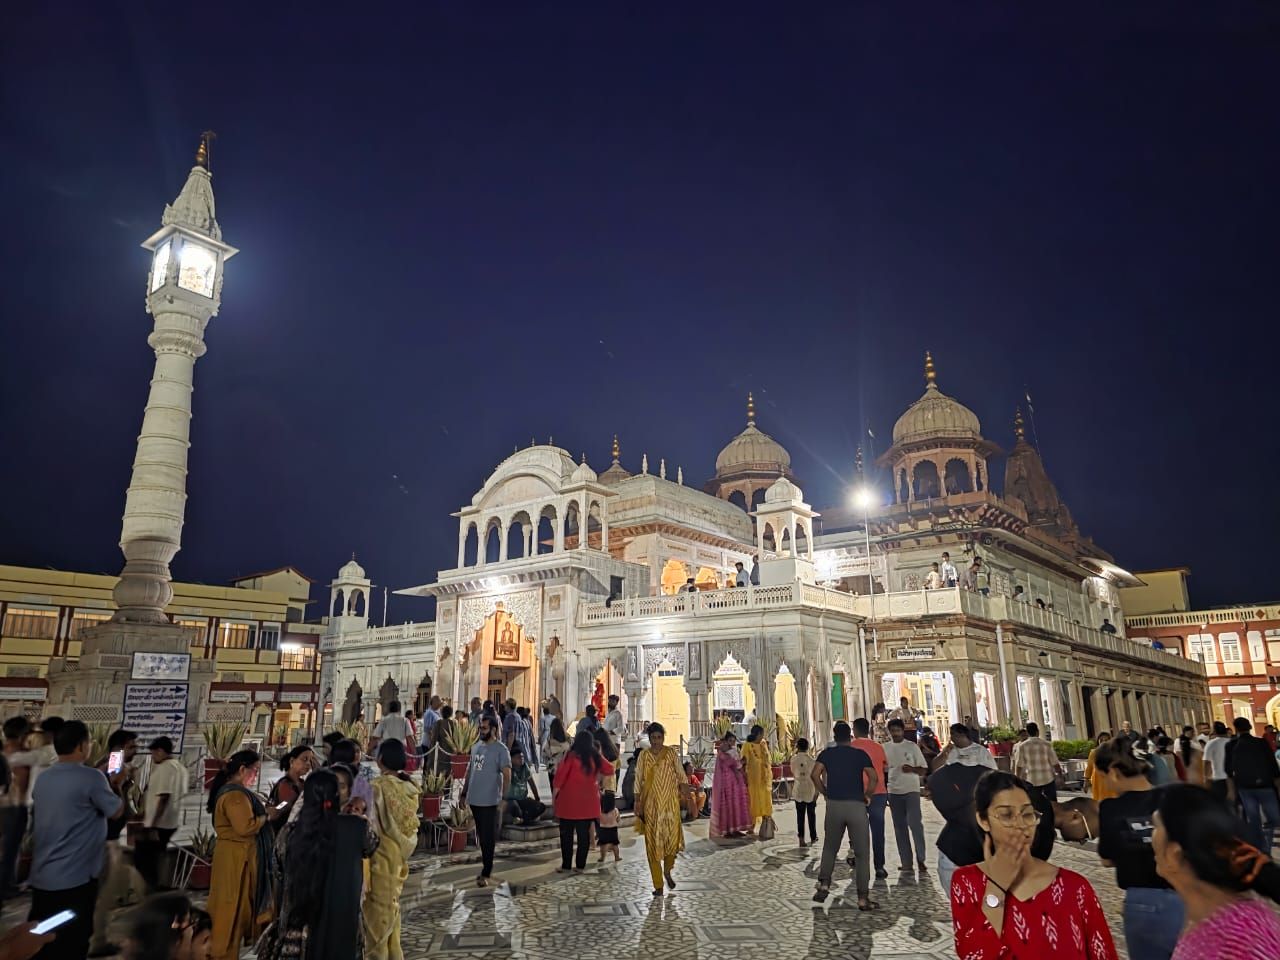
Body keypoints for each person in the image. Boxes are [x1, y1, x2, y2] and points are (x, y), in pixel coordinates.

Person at [950, 771, 1119, 960]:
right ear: (983, 821)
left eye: (1028, 814)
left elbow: (1104, 954)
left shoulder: (1075, 887)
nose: (1021, 824)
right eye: (1006, 815)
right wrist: (996, 888)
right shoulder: (966, 882)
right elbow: (973, 953)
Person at [27, 719, 125, 960]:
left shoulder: (44, 778)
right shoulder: (91, 778)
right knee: (72, 942)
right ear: (82, 746)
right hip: (75, 881)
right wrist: (118, 785)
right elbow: (117, 811)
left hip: (43, 878)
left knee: (40, 939)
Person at [1150, 784, 1280, 959]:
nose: (1150, 838)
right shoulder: (1238, 915)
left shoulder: (1221, 946)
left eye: (1155, 826)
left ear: (1175, 854)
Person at [270, 769, 378, 959]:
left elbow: (278, 871)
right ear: (338, 795)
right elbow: (371, 847)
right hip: (342, 924)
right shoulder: (359, 828)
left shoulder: (289, 833)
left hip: (299, 928)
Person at [1093, 736, 1183, 960]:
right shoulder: (1174, 797)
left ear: (1113, 772)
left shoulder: (1111, 807)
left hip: (1142, 899)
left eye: (1103, 777)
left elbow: (1106, 858)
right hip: (1186, 894)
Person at [207, 750, 276, 960]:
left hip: (237, 855)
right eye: (254, 770)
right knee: (231, 909)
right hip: (236, 860)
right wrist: (268, 817)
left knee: (236, 909)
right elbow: (245, 827)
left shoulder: (236, 792)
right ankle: (221, 953)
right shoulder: (235, 794)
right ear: (242, 769)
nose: (255, 775)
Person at [812, 721, 879, 908]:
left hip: (834, 805)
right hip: (856, 805)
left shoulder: (827, 754)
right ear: (850, 736)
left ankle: (824, 883)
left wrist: (824, 791)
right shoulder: (859, 755)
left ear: (834, 735)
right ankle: (863, 898)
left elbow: (814, 774)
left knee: (830, 847)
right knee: (861, 852)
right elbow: (874, 777)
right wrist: (868, 795)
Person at [362, 740, 419, 960]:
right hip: (398, 856)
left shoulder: (377, 787)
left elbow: (370, 825)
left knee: (377, 922)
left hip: (379, 856)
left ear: (381, 760)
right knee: (391, 914)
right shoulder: (410, 788)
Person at [87, 727, 137, 957]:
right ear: (120, 747)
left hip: (105, 837)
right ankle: (97, 941)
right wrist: (122, 782)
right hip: (106, 839)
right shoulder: (115, 761)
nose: (134, 751)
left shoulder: (104, 763)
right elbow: (114, 786)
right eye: (131, 747)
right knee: (103, 895)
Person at [634, 722, 687, 896]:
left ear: (663, 738)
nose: (656, 741)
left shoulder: (671, 753)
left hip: (670, 805)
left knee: (672, 841)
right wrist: (637, 801)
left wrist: (686, 791)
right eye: (653, 738)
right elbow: (638, 779)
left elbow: (681, 775)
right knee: (652, 844)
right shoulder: (644, 756)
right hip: (651, 806)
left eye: (659, 738)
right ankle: (658, 884)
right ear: (649, 739)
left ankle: (668, 870)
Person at [133, 736, 186, 896]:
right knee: (154, 857)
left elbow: (164, 797)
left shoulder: (165, 768)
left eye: (154, 754)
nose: (153, 757)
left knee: (143, 859)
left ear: (161, 751)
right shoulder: (180, 768)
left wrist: (153, 826)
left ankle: (150, 891)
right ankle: (155, 889)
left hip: (157, 824)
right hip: (170, 822)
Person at [461, 716, 510, 887]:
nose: (481, 731)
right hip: (475, 799)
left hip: (490, 800)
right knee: (482, 837)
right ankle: (485, 866)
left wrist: (504, 797)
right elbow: (470, 771)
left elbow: (507, 775)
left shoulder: (501, 750)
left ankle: (486, 871)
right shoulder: (475, 747)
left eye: (485, 728)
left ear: (494, 729)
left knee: (489, 838)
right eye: (480, 728)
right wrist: (463, 793)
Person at [552, 730, 610, 871]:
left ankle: (566, 865)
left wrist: (555, 799)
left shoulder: (570, 756)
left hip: (568, 803)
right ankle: (580, 865)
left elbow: (559, 779)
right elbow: (609, 768)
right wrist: (599, 782)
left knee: (566, 836)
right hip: (588, 803)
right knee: (583, 836)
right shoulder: (595, 756)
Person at [1226, 715, 1280, 854]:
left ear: (1236, 729)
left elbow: (1228, 770)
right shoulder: (1261, 742)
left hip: (1245, 786)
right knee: (1275, 817)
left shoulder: (1231, 745)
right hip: (1265, 784)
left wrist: (1231, 790)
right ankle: (1268, 841)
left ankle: (1261, 847)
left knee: (1253, 818)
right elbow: (1272, 763)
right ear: (1250, 727)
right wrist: (1277, 783)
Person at [883, 718, 929, 875]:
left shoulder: (912, 747)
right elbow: (883, 770)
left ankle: (921, 859)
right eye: (893, 731)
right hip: (894, 791)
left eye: (898, 730)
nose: (895, 733)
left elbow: (923, 769)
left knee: (915, 824)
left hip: (911, 790)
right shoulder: (885, 748)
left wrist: (912, 769)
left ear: (903, 731)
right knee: (899, 828)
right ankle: (906, 862)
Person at [0, 717, 37, 905]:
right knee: (10, 849)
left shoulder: (2, 752)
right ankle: (5, 887)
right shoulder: (24, 755)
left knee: (5, 848)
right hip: (15, 806)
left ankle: (7, 885)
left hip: (3, 805)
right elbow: (22, 784)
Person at [850, 718, 890, 877]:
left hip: (856, 793)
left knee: (857, 829)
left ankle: (859, 861)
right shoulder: (878, 747)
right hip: (878, 792)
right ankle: (879, 866)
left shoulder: (850, 747)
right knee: (878, 831)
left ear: (854, 730)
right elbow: (886, 767)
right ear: (868, 730)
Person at [709, 733, 751, 838]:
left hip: (735, 782)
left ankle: (735, 829)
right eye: (730, 740)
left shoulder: (727, 752)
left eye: (734, 740)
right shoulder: (724, 753)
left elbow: (735, 763)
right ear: (726, 741)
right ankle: (728, 830)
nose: (732, 742)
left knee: (736, 804)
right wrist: (743, 763)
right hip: (728, 782)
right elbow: (737, 764)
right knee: (729, 804)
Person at [1012, 722, 1062, 802]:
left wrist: (1017, 781)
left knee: (1036, 806)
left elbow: (1019, 765)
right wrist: (1060, 776)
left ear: (1028, 733)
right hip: (1048, 779)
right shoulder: (1047, 745)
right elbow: (1055, 763)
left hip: (1032, 781)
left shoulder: (1022, 746)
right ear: (1037, 731)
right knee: (1053, 805)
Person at [741, 725, 773, 835]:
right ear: (757, 734)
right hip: (752, 779)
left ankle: (766, 825)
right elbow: (743, 761)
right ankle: (751, 826)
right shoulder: (747, 746)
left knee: (765, 800)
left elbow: (768, 760)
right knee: (753, 802)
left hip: (764, 780)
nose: (763, 736)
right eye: (762, 734)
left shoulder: (763, 744)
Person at [502, 747, 545, 825]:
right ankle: (524, 818)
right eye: (518, 757)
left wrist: (537, 797)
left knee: (541, 806)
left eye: (522, 757)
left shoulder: (525, 767)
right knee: (514, 806)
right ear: (511, 759)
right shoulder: (508, 768)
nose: (521, 759)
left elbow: (532, 783)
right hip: (511, 800)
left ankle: (523, 819)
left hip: (523, 799)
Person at [789, 738, 818, 847]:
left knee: (800, 815)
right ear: (807, 747)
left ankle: (801, 838)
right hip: (810, 788)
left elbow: (793, 771)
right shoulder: (812, 760)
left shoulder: (793, 759)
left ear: (797, 747)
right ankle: (813, 836)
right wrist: (817, 791)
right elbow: (815, 776)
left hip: (798, 787)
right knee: (811, 814)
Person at [1085, 731, 1118, 803]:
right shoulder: (1094, 752)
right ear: (1098, 741)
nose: (1103, 742)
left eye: (1106, 740)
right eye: (1101, 740)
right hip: (1097, 781)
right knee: (1099, 802)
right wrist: (1086, 780)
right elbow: (1089, 767)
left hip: (1111, 781)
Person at [1203, 721, 1231, 801]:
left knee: (1221, 803)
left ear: (1214, 731)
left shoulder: (1211, 743)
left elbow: (1206, 762)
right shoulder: (1232, 742)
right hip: (1233, 778)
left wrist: (1206, 778)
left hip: (1218, 778)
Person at [592, 728, 620, 793]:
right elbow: (618, 771)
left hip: (599, 789)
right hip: (611, 787)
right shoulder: (615, 751)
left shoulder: (598, 753)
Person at [597, 791, 621, 863]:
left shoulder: (600, 810)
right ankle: (617, 857)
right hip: (613, 829)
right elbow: (618, 819)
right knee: (615, 844)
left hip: (603, 829)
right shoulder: (615, 810)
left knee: (603, 845)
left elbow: (598, 819)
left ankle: (602, 857)